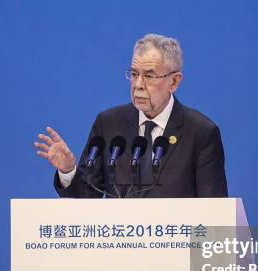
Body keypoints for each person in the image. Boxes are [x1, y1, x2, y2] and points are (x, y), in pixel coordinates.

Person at [34, 34, 228, 198]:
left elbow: (215, 212)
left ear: (174, 82)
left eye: (149, 76)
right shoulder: (109, 124)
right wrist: (68, 171)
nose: (138, 84)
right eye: (134, 74)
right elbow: (86, 199)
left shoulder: (201, 133)